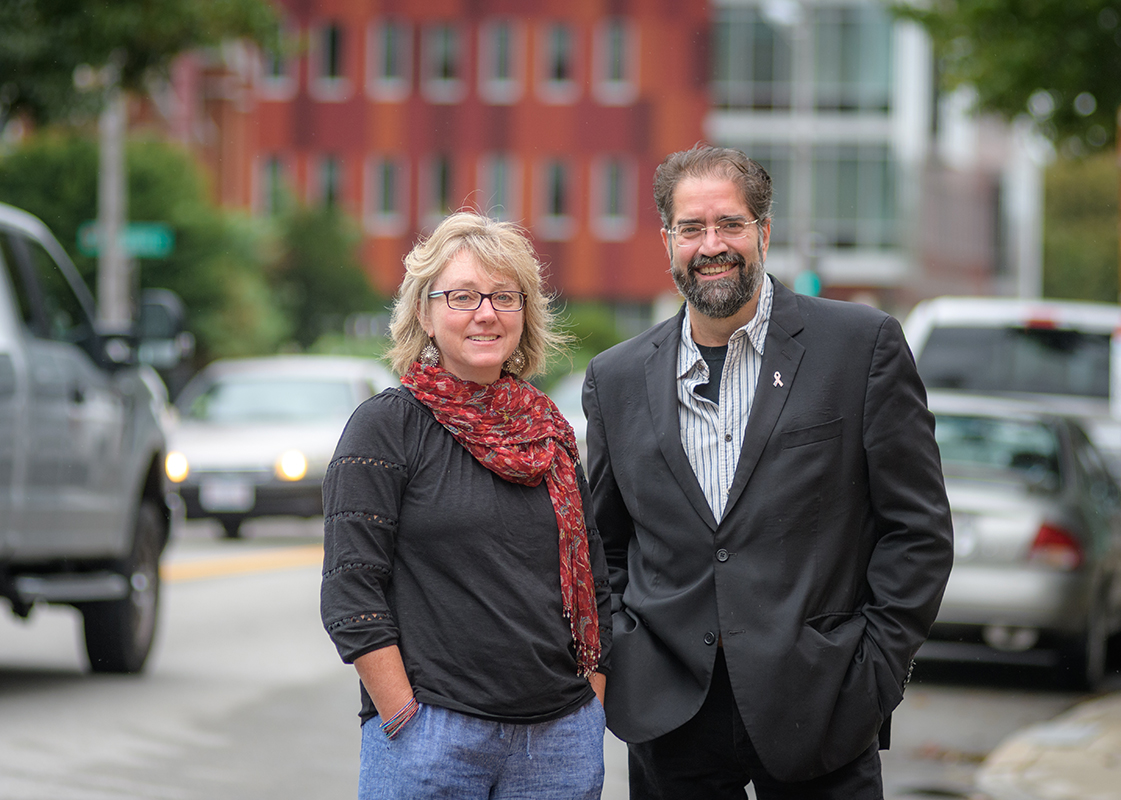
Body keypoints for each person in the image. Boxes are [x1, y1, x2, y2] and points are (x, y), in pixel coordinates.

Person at [581, 145, 954, 799]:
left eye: (730, 224)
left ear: (764, 232)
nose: (712, 244)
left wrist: (877, 667)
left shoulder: (860, 347)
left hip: (825, 710)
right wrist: (624, 655)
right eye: (692, 228)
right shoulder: (614, 378)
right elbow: (603, 546)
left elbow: (917, 531)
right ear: (667, 240)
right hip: (671, 720)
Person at [321, 211, 611, 800]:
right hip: (432, 736)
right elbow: (351, 589)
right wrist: (402, 715)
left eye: (504, 296)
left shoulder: (549, 434)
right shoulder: (385, 429)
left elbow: (595, 581)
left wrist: (591, 703)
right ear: (425, 314)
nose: (486, 312)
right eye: (461, 296)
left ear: (524, 314)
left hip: (559, 740)